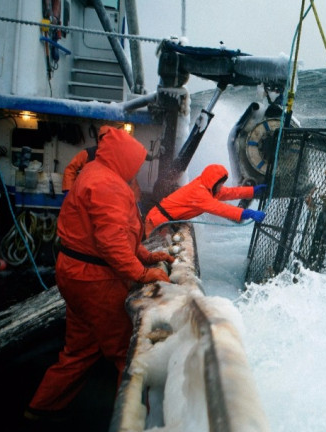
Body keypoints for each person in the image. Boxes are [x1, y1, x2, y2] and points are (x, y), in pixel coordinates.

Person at [24, 127, 174, 422]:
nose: (137, 169)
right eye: (135, 163)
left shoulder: (95, 173)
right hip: (95, 281)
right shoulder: (109, 185)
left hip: (75, 274)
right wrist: (143, 273)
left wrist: (147, 255)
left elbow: (115, 233)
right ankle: (129, 421)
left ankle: (38, 409)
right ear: (125, 158)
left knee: (80, 349)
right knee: (127, 353)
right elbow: (112, 243)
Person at [143, 164, 266, 236]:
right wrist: (245, 213)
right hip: (157, 221)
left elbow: (230, 192)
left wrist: (252, 191)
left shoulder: (207, 186)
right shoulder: (199, 193)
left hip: (164, 221)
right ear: (214, 182)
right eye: (221, 184)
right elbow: (219, 208)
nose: (222, 187)